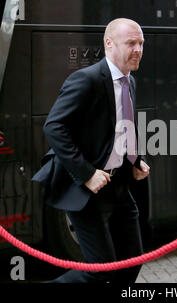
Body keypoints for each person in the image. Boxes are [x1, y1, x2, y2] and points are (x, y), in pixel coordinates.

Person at [32, 18, 150, 283]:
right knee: (100, 272)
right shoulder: (86, 79)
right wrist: (87, 174)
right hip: (86, 189)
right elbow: (54, 127)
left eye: (141, 43)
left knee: (132, 261)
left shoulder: (130, 82)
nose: (138, 49)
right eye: (131, 43)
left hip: (118, 185)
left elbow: (120, 127)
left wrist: (135, 160)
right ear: (109, 43)